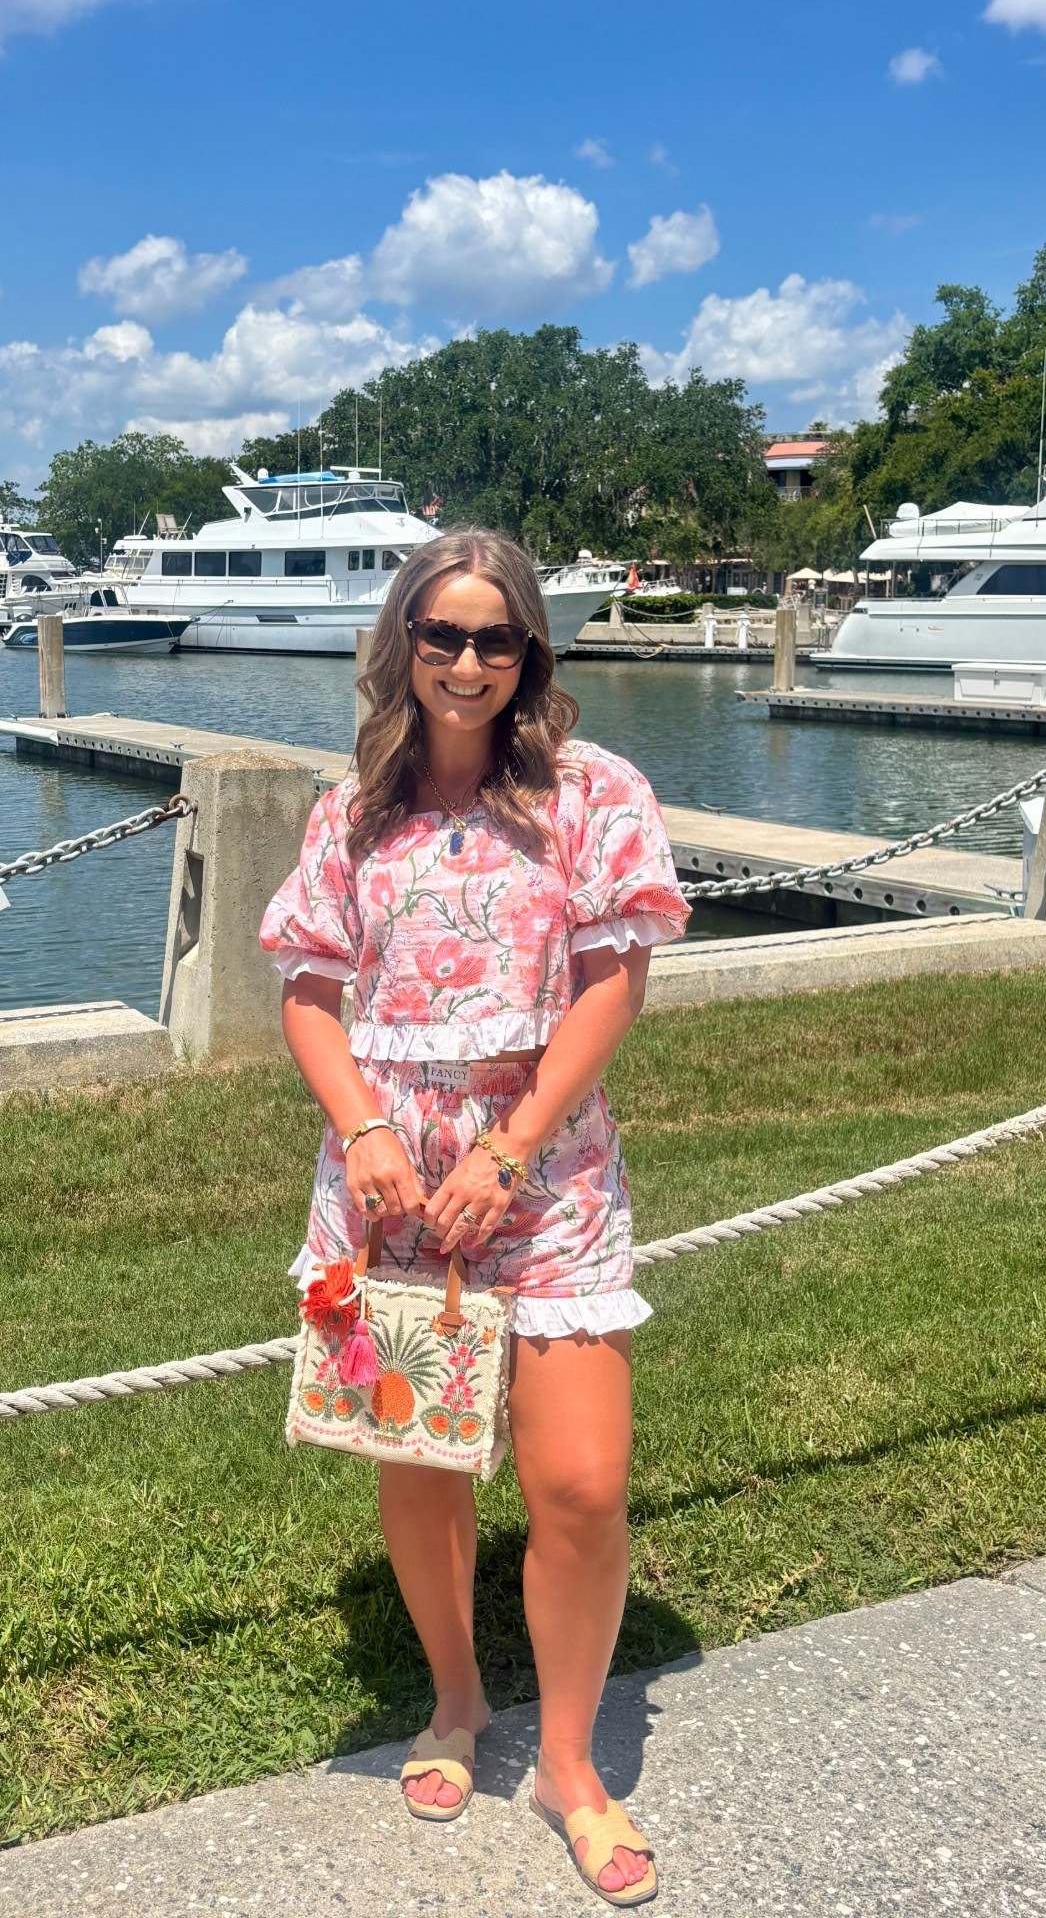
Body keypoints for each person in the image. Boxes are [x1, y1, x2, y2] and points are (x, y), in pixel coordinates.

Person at [260, 531, 690, 1908]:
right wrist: (371, 1139)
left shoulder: (592, 793)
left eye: (494, 638)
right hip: (390, 1184)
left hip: (543, 1175)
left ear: (530, 653)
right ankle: (458, 1703)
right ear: (403, 646)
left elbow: (613, 984)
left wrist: (507, 1150)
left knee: (578, 1483)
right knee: (426, 1456)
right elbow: (310, 995)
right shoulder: (354, 813)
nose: (465, 661)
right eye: (439, 636)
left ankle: (571, 1759)